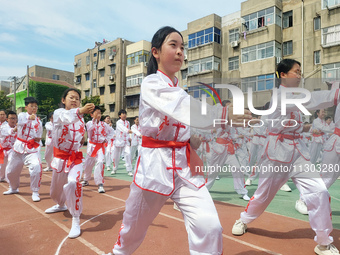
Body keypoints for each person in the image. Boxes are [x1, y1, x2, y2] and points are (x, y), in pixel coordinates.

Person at [102, 26, 251, 255]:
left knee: (210, 226)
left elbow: (183, 116)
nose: (180, 52)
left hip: (184, 168)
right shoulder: (151, 83)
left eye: (183, 47)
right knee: (132, 230)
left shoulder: (179, 90)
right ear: (156, 52)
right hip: (155, 168)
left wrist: (192, 138)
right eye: (173, 45)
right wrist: (222, 114)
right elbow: (181, 107)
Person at [231, 59, 340, 255]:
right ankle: (244, 219)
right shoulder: (281, 96)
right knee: (263, 195)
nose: (300, 75)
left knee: (320, 192)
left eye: (300, 72)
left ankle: (324, 241)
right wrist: (335, 93)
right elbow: (312, 99)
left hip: (299, 153)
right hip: (277, 154)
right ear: (283, 75)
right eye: (296, 72)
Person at [44, 88, 94, 239]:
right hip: (60, 158)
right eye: (71, 97)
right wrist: (80, 110)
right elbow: (66, 118)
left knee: (73, 183)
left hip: (75, 158)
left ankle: (76, 218)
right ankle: (60, 204)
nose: (74, 100)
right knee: (55, 191)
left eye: (77, 98)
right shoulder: (59, 113)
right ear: (63, 100)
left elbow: (80, 132)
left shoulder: (80, 118)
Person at [3, 97, 43, 202]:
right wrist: (30, 118)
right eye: (31, 106)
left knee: (36, 167)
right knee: (10, 171)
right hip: (18, 148)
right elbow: (20, 122)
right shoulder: (22, 115)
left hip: (31, 149)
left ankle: (35, 191)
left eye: (36, 106)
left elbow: (39, 136)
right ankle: (13, 188)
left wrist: (38, 141)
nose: (34, 108)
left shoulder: (39, 122)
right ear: (26, 107)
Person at [82, 106, 114, 193]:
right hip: (91, 147)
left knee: (100, 162)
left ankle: (100, 183)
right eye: (97, 112)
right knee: (88, 164)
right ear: (92, 114)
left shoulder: (104, 125)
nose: (99, 114)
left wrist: (106, 139)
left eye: (100, 112)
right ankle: (86, 179)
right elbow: (89, 129)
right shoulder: (89, 123)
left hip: (100, 147)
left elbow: (112, 132)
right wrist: (94, 121)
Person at [111, 109, 133, 176]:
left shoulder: (128, 122)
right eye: (123, 114)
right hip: (118, 141)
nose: (124, 115)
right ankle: (114, 169)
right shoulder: (118, 122)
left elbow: (127, 132)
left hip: (126, 141)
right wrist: (127, 130)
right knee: (117, 157)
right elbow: (122, 128)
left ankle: (129, 170)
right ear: (120, 115)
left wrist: (129, 137)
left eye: (125, 114)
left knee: (128, 154)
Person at [0, 111, 17, 182]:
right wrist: (17, 128)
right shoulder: (3, 127)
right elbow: (10, 132)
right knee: (2, 166)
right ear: (7, 119)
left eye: (14, 118)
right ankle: (1, 177)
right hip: (3, 149)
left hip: (12, 149)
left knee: (10, 163)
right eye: (11, 118)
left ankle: (9, 179)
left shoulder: (18, 127)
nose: (13, 120)